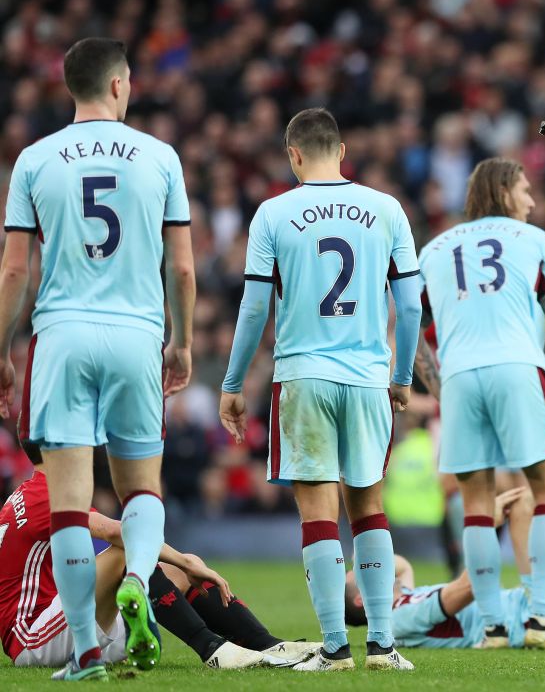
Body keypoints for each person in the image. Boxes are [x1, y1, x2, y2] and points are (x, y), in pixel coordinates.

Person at [0, 38, 195, 681]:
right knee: (142, 488)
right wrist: (183, 340)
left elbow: (15, 271)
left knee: (68, 503)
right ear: (119, 85)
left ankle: (84, 650)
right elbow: (184, 266)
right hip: (137, 332)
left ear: (70, 87)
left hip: (60, 336)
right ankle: (137, 577)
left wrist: (3, 350)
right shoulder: (160, 156)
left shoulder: (34, 160)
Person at [218, 107, 421, 673]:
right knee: (370, 507)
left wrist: (232, 384)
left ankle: (335, 648)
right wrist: (401, 377)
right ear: (343, 149)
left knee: (317, 513)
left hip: (303, 376)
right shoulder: (386, 209)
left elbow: (255, 305)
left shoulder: (272, 214)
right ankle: (381, 645)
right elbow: (409, 305)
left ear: (294, 155)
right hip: (366, 377)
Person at [414, 157, 545, 650]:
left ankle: (493, 627)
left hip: (459, 376)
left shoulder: (434, 249)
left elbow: (411, 332)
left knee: (476, 505)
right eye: (524, 190)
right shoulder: (534, 239)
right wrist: (541, 370)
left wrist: (439, 389)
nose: (531, 200)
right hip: (516, 366)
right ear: (504, 191)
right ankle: (543, 619)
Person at [1, 443, 321, 670]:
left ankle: (266, 644)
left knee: (170, 568)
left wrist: (183, 562)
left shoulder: (31, 490)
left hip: (55, 622)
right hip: (32, 637)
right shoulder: (48, 493)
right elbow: (120, 533)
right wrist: (185, 560)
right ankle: (212, 649)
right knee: (131, 553)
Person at [344, 488, 545, 650]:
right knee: (528, 504)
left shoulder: (404, 600)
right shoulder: (397, 619)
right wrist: (487, 528)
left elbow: (400, 564)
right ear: (362, 600)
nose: (371, 567)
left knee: (535, 504)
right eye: (362, 572)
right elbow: (469, 587)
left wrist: (370, 564)